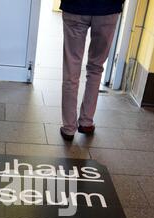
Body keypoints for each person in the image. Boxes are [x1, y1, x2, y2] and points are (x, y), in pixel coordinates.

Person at [60, 0, 125, 141]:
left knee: (71, 69)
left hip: (75, 8)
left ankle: (69, 128)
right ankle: (86, 122)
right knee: (96, 68)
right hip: (107, 9)